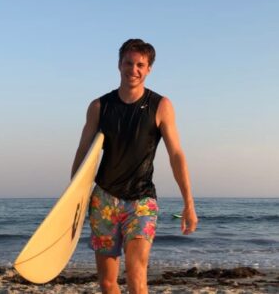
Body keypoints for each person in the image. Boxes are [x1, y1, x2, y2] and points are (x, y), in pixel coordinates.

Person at [71, 39, 198, 294]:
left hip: (141, 202)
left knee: (136, 274)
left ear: (149, 68)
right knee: (107, 283)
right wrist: (73, 201)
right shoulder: (99, 106)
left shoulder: (160, 106)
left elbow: (176, 155)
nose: (134, 69)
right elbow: (84, 153)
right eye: (128, 63)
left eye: (141, 64)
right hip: (104, 200)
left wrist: (189, 203)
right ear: (119, 65)